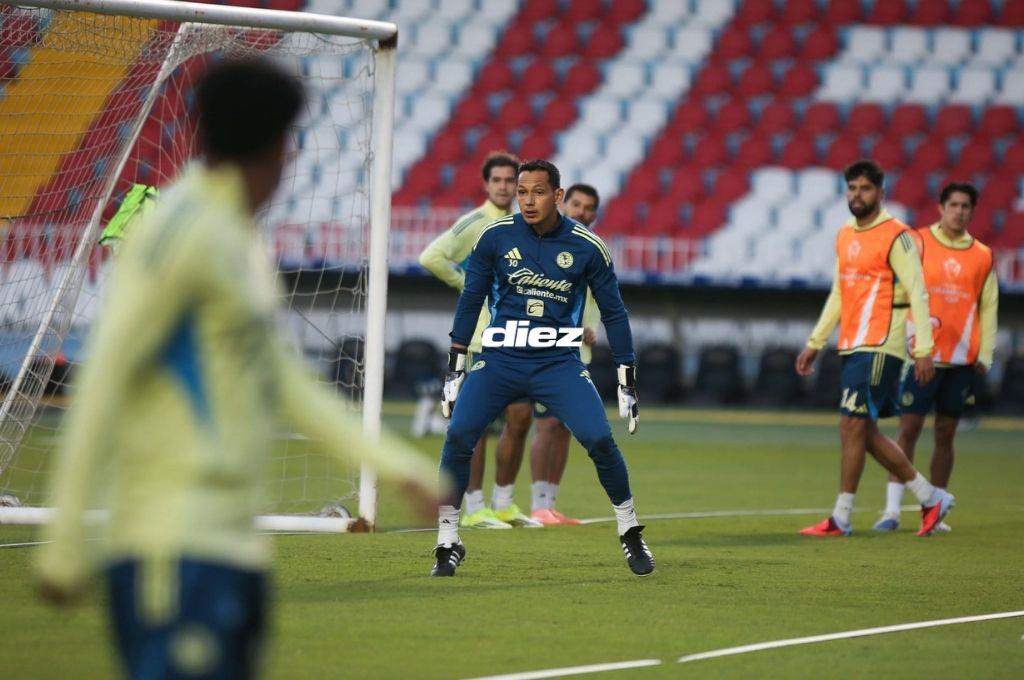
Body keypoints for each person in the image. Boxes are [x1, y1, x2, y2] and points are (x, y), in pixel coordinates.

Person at [35, 59, 440, 678]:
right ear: (280, 147)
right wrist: (65, 543)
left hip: (233, 544)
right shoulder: (178, 232)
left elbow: (282, 379)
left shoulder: (239, 240)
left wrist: (397, 466)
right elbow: (105, 378)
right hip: (171, 546)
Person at [431, 159, 653, 577]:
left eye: (537, 192)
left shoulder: (588, 246)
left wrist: (626, 375)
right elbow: (471, 298)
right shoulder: (494, 236)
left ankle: (629, 529)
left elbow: (615, 312)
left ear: (558, 196)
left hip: (558, 364)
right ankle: (447, 539)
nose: (528, 201)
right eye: (522, 192)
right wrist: (456, 364)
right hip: (500, 360)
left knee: (599, 439)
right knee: (458, 435)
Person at [795, 159, 954, 537]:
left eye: (865, 188)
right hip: (852, 344)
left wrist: (924, 349)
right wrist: (816, 342)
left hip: (881, 343)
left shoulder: (896, 236)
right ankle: (930, 497)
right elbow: (839, 292)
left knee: (851, 425)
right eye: (852, 188)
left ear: (881, 193)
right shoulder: (844, 235)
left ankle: (842, 518)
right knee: (862, 431)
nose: (857, 195)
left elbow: (917, 291)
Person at [419, 151, 538, 529]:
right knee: (477, 425)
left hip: (518, 337)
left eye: (510, 181)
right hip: (480, 340)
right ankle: (474, 508)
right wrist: (466, 284)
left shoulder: (525, 225)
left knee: (520, 417)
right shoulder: (474, 223)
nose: (504, 187)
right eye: (497, 180)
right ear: (486, 185)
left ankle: (503, 503)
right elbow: (432, 256)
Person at [873, 182, 998, 532]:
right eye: (953, 205)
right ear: (941, 208)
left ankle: (934, 511)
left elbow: (988, 305)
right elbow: (904, 293)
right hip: (922, 356)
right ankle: (891, 511)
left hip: (960, 360)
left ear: (972, 211)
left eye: (965, 206)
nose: (959, 211)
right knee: (908, 429)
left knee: (946, 433)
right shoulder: (919, 242)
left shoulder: (983, 255)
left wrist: (985, 351)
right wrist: (916, 346)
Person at [528, 183, 602, 525]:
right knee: (546, 425)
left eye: (589, 208)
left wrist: (592, 330)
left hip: (578, 352)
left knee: (564, 429)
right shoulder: (546, 244)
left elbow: (597, 299)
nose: (582, 212)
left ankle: (551, 504)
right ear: (563, 203)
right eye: (577, 205)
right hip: (547, 350)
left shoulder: (594, 249)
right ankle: (537, 505)